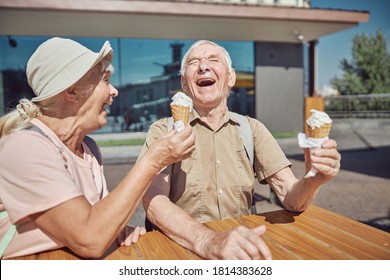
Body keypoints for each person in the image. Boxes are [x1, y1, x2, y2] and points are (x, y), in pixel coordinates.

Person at [139, 40, 341, 260]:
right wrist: (207, 240)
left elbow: (291, 198)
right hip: (182, 251)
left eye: (213, 59)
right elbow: (154, 201)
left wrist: (313, 180)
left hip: (240, 251)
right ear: (184, 83)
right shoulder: (163, 131)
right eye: (193, 62)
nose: (203, 66)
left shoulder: (251, 129)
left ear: (231, 78)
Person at [0, 37, 195, 259]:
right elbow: (89, 238)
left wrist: (116, 230)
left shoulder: (88, 148)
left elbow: (97, 223)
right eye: (105, 80)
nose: (114, 91)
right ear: (72, 91)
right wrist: (153, 160)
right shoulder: (24, 147)